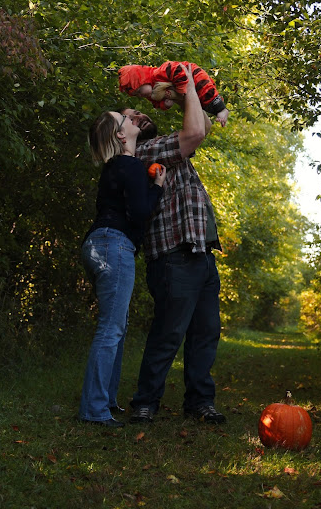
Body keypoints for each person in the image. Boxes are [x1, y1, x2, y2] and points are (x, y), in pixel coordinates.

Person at [120, 65, 226, 424]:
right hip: (173, 255)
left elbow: (203, 126)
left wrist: (185, 95)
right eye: (131, 115)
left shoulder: (165, 145)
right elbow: (197, 131)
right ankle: (146, 402)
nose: (140, 113)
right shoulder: (147, 152)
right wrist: (188, 81)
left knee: (205, 333)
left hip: (200, 252)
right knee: (168, 333)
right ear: (121, 136)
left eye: (139, 110)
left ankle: (199, 401)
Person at [79, 110, 166, 427]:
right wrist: (157, 185)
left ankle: (106, 401)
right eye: (126, 120)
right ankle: (94, 409)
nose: (133, 120)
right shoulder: (129, 165)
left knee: (116, 326)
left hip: (98, 244)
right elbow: (141, 212)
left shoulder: (115, 167)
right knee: (111, 328)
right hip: (114, 246)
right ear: (120, 135)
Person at [118, 60, 229, 127]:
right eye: (137, 95)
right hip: (186, 92)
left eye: (139, 91)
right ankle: (216, 111)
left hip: (193, 75)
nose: (140, 95)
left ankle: (221, 109)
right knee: (202, 104)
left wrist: (181, 90)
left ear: (142, 80)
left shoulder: (160, 72)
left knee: (206, 91)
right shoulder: (151, 94)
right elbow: (156, 104)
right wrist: (165, 104)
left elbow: (177, 70)